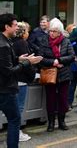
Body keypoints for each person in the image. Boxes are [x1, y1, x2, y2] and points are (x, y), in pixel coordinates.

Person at [0, 13, 42, 148]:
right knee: (14, 119)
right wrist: (27, 63)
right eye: (15, 26)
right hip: (5, 89)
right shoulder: (4, 45)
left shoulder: (6, 41)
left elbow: (5, 63)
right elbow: (8, 71)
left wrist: (20, 59)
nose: (17, 28)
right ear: (7, 27)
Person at [37, 18, 75, 132]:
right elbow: (40, 58)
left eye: (55, 31)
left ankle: (62, 121)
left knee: (63, 99)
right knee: (51, 99)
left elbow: (72, 56)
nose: (52, 33)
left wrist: (59, 60)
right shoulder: (44, 41)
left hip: (64, 74)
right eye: (51, 31)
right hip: (50, 74)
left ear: (60, 32)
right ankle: (51, 123)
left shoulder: (66, 41)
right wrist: (53, 62)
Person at [11, 22, 33, 142]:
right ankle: (17, 132)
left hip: (11, 78)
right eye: (27, 31)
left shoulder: (9, 42)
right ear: (23, 32)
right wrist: (32, 74)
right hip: (21, 79)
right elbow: (27, 62)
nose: (28, 33)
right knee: (19, 108)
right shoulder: (22, 43)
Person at [65, 24, 77, 111]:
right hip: (72, 66)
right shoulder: (68, 41)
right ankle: (69, 103)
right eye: (73, 30)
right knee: (72, 86)